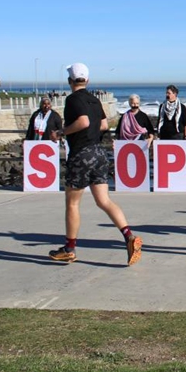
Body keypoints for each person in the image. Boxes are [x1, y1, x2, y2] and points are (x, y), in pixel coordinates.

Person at [48, 63, 143, 265]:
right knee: (104, 201)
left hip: (81, 154)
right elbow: (103, 125)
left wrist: (61, 132)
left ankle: (69, 248)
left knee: (72, 203)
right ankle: (129, 236)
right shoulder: (94, 99)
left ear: (70, 81)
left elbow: (83, 122)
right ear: (87, 80)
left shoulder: (73, 99)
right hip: (99, 153)